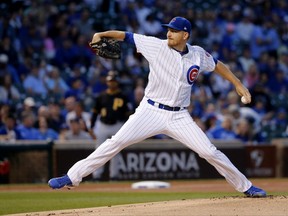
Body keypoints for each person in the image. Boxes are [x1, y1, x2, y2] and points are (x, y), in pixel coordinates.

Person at [48, 17, 266, 197]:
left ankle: (246, 187)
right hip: (150, 111)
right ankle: (71, 177)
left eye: (173, 31)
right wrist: (101, 34)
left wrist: (238, 83)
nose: (168, 33)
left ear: (185, 35)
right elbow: (126, 35)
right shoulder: (156, 46)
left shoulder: (197, 54)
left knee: (210, 151)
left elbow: (218, 65)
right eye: (168, 30)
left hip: (179, 116)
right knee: (117, 141)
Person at [89, 70, 133, 180]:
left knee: (115, 151)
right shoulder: (101, 96)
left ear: (117, 82)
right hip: (103, 124)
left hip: (117, 125)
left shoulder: (123, 96)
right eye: (110, 81)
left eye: (113, 81)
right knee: (99, 150)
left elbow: (128, 113)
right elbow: (95, 112)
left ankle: (114, 175)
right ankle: (97, 175)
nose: (111, 83)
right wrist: (91, 126)